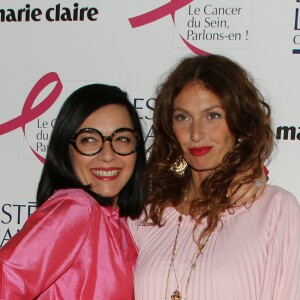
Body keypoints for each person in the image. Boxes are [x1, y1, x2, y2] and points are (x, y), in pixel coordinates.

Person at [128, 54, 300, 300]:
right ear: (170, 128)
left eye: (213, 115)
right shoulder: (146, 213)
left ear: (238, 121)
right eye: (183, 117)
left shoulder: (275, 210)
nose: (196, 134)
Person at [0, 84, 146, 299]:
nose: (107, 155)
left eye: (122, 139)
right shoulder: (77, 208)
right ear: (66, 149)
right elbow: (6, 277)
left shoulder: (125, 225)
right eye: (89, 139)